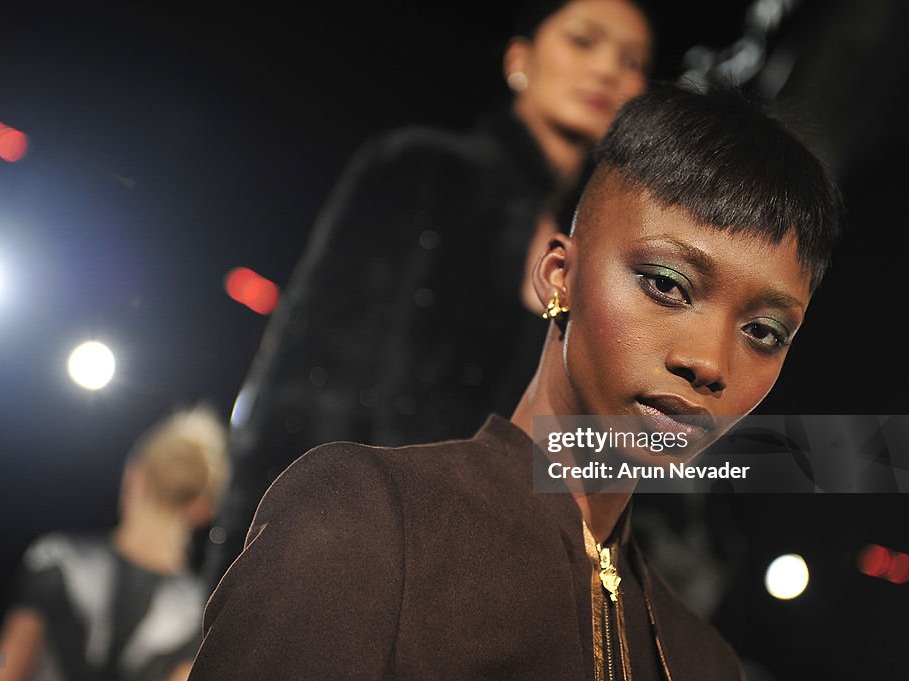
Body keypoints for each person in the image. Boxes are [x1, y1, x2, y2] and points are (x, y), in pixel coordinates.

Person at [187, 85, 843, 680]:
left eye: (763, 332)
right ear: (559, 275)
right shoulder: (369, 522)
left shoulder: (703, 662)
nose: (710, 361)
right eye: (666, 285)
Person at [207, 0, 655, 585]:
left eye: (632, 62)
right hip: (356, 568)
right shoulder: (420, 172)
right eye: (583, 41)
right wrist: (241, 585)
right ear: (520, 59)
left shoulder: (614, 264)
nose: (606, 71)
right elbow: (303, 388)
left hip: (505, 606)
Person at [0, 406, 230, 681]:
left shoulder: (57, 561)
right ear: (204, 508)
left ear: (134, 476)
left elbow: (3, 673)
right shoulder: (198, 612)